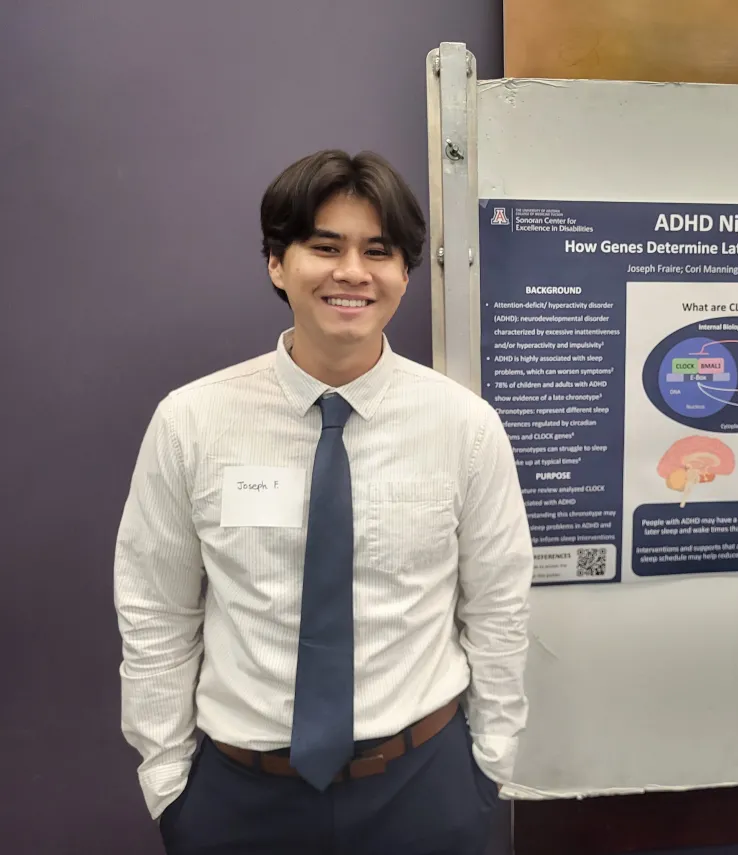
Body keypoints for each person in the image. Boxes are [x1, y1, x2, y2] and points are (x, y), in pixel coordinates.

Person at [113, 149, 533, 854]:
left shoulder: (464, 426)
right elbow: (155, 606)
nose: (352, 272)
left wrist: (489, 766)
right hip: (240, 798)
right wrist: (168, 781)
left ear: (404, 272)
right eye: (324, 246)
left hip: (424, 788)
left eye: (378, 250)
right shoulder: (191, 421)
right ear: (278, 263)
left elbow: (497, 606)